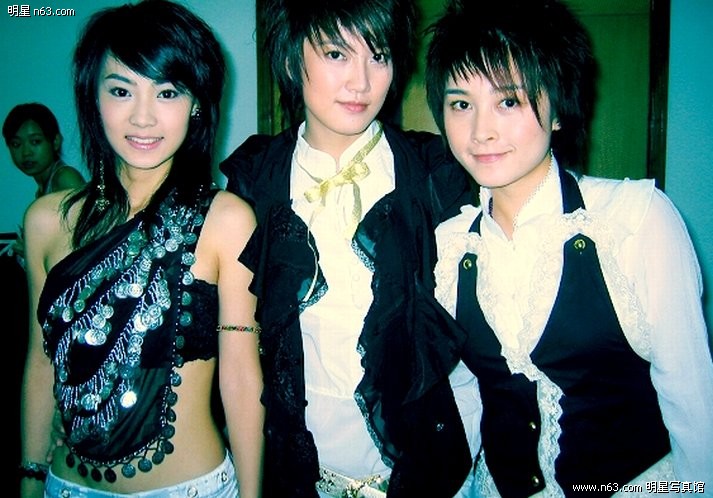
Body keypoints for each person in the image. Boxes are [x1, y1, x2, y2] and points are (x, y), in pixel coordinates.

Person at [425, 0, 713, 496]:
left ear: (558, 109)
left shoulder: (633, 221)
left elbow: (693, 403)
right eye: (461, 104)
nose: (481, 131)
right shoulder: (452, 246)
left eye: (508, 101)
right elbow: (469, 395)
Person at [219, 0, 478, 496]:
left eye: (378, 56)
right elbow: (236, 345)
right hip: (299, 479)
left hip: (430, 476)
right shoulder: (254, 183)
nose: (361, 82)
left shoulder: (436, 173)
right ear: (292, 58)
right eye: (337, 54)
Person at [19, 1, 264, 497]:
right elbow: (42, 361)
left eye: (167, 92)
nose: (143, 116)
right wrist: (29, 476)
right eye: (121, 90)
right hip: (64, 487)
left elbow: (240, 376)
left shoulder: (227, 221)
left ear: (196, 103)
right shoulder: (45, 221)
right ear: (93, 98)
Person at [3, 102, 85, 260]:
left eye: (35, 142)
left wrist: (31, 251)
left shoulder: (65, 178)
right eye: (16, 144)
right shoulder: (44, 188)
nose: (26, 153)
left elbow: (83, 244)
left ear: (55, 141)